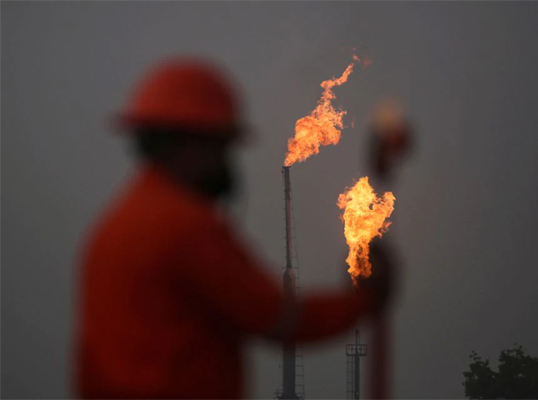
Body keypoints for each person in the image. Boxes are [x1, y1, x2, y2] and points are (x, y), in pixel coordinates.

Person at [75, 57, 393, 399]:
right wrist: (361, 301)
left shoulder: (112, 228)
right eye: (221, 146)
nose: (227, 161)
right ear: (189, 143)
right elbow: (274, 316)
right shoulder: (185, 227)